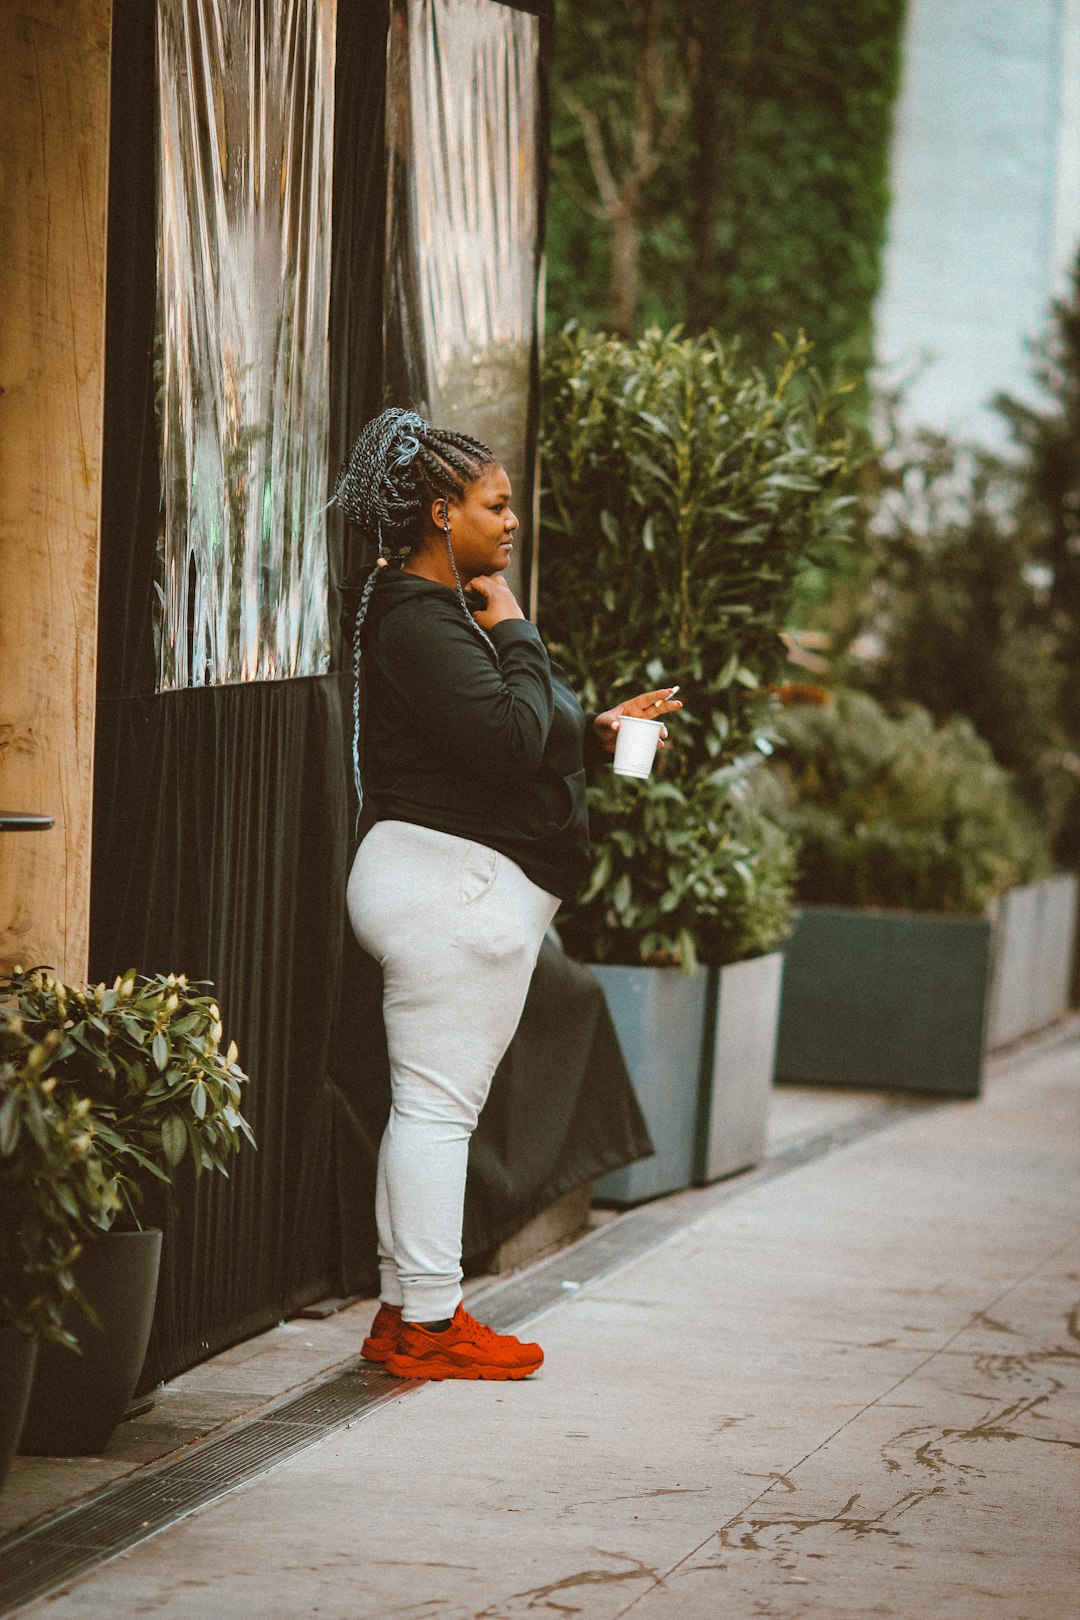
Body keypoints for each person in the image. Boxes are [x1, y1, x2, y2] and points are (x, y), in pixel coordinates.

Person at [335, 408, 682, 1381]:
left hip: (449, 884)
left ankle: (408, 1313)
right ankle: (432, 1322)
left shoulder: (434, 616)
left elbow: (508, 738)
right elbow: (511, 739)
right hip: (451, 892)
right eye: (497, 504)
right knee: (440, 1112)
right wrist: (521, 629)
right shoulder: (421, 615)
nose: (512, 520)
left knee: (427, 1108)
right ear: (442, 513)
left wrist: (602, 732)